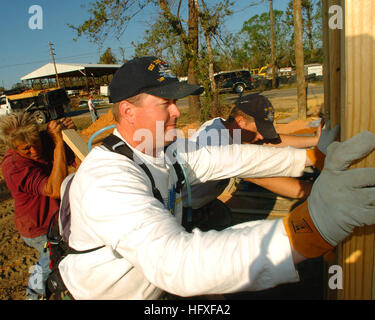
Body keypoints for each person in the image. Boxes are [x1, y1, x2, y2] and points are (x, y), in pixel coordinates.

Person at [56, 56, 375, 300]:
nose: (177, 112)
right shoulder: (107, 178)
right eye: (165, 103)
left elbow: (233, 157)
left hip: (150, 288)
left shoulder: (166, 150)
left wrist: (309, 157)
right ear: (127, 111)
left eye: (175, 102)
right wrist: (309, 230)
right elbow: (177, 263)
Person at [181, 93, 339, 231]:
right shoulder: (216, 142)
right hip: (186, 212)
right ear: (241, 122)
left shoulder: (226, 126)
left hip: (204, 201)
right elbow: (264, 179)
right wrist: (321, 192)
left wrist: (315, 141)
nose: (262, 137)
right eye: (259, 131)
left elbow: (269, 141)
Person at [0, 112, 77, 300]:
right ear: (13, 147)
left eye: (36, 143)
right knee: (46, 264)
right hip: (38, 226)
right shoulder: (14, 167)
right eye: (26, 149)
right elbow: (55, 189)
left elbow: (80, 163)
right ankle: (32, 295)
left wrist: (69, 136)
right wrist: (58, 143)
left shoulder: (46, 139)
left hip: (57, 219)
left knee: (53, 259)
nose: (34, 150)